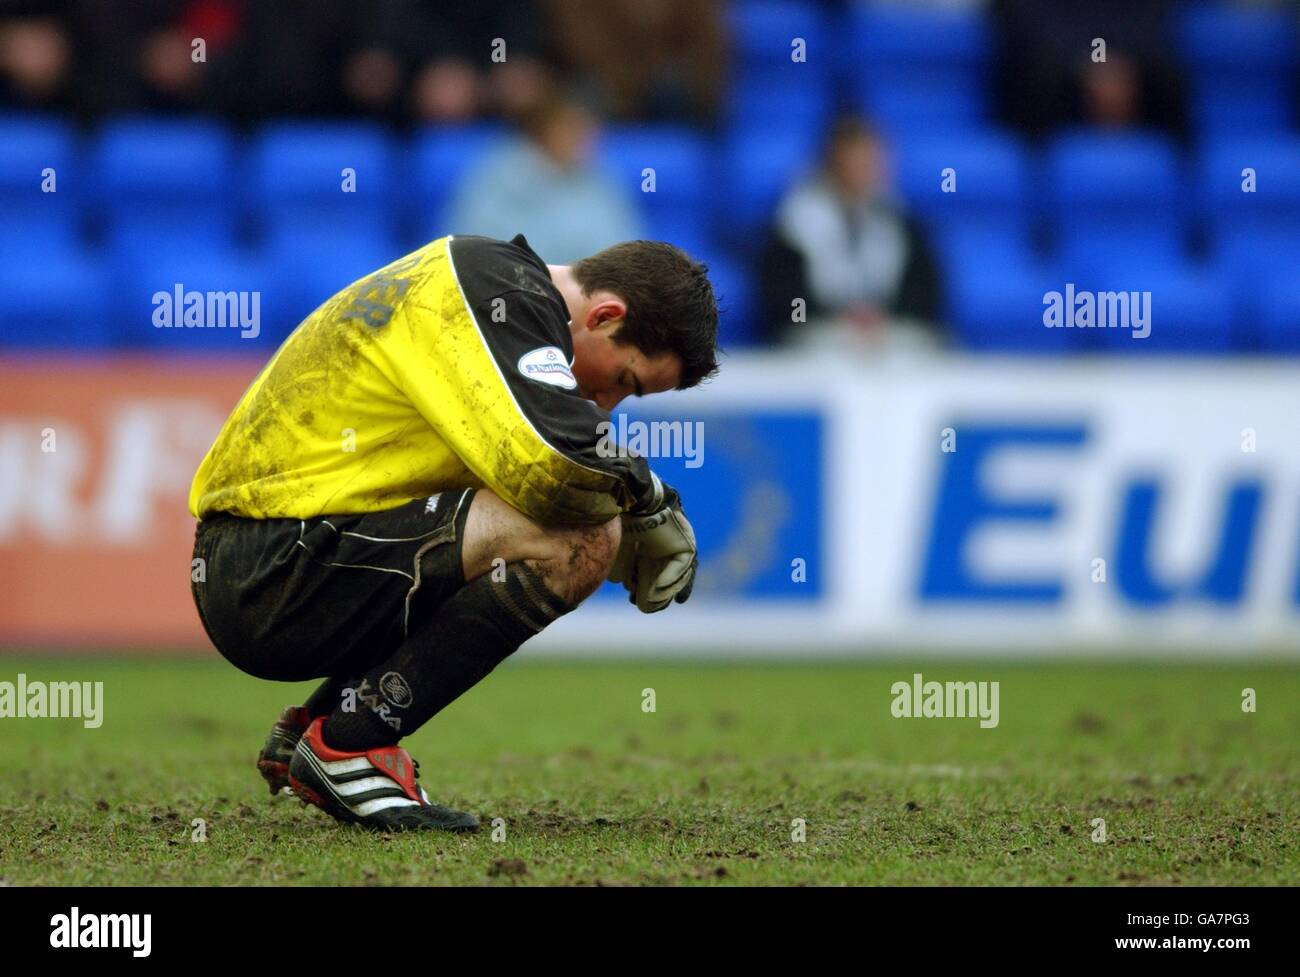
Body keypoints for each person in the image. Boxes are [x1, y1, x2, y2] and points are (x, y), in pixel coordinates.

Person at [188, 233, 719, 832]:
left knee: (567, 523)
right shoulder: (499, 290)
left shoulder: (492, 293)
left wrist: (623, 500)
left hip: (274, 556)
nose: (609, 404)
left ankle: (324, 728)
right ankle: (349, 745)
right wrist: (646, 500)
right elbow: (549, 452)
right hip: (271, 568)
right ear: (604, 315)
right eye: (624, 381)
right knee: (580, 541)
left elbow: (543, 459)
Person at [759, 117, 943, 351]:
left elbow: (925, 290)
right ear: (833, 163)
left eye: (871, 161)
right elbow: (785, 301)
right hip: (820, 333)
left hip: (888, 331)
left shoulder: (899, 220)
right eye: (856, 161)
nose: (865, 170)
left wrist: (883, 316)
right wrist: (838, 317)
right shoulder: (795, 221)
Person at [448, 94, 643, 263]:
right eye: (572, 128)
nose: (586, 140)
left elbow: (624, 252)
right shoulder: (498, 177)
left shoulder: (602, 179)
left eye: (589, 130)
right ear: (543, 132)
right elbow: (474, 251)